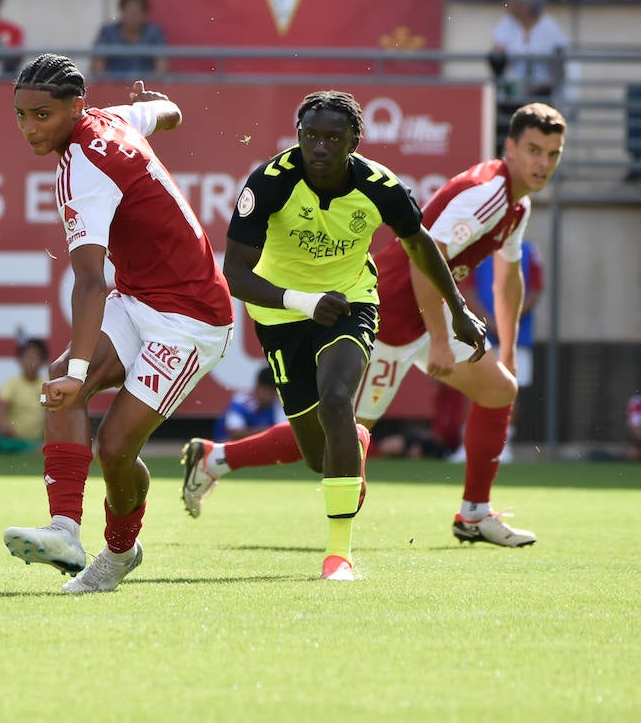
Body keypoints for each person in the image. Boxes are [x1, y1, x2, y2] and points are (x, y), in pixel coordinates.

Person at [184, 103, 563, 552]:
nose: (542, 163)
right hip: (395, 320)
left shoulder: (515, 203)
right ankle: (216, 457)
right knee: (333, 436)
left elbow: (507, 274)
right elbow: (427, 256)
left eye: (553, 153)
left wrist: (506, 348)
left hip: (411, 316)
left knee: (499, 389)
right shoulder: (486, 194)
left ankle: (475, 512)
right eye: (534, 150)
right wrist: (442, 337)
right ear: (510, 148)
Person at [1, 54, 234, 593]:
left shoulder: (81, 169)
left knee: (114, 446)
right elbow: (165, 113)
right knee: (62, 378)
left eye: (42, 115)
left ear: (74, 106)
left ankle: (120, 552)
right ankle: (63, 530)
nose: (30, 128)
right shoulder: (113, 118)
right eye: (20, 115)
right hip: (141, 299)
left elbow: (88, 281)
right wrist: (157, 103)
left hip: (190, 319)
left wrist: (80, 369)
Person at [457, 237, 545, 462]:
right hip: (481, 332)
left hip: (516, 336)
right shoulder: (477, 249)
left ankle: (502, 446)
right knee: (476, 385)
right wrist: (490, 321)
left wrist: (508, 321)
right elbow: (467, 289)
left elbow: (535, 291)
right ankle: (468, 444)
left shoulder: (530, 250)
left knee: (510, 389)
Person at [488, 0, 569, 147]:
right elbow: (496, 56)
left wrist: (542, 85)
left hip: (541, 94)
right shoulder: (507, 25)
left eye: (512, 0)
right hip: (511, 95)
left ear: (526, 5)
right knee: (504, 129)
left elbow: (560, 67)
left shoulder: (550, 29)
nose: (508, 3)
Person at [91, 0, 167, 81]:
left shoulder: (154, 33)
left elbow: (161, 66)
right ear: (122, 12)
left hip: (145, 88)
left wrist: (152, 86)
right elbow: (98, 66)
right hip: (113, 87)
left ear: (144, 14)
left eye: (136, 13)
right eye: (129, 12)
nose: (132, 17)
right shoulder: (107, 32)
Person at [213, 365, 285, 443]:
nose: (271, 396)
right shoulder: (241, 401)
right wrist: (266, 432)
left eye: (274, 392)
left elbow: (283, 433)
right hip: (228, 446)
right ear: (258, 387)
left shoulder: (277, 403)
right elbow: (235, 433)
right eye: (268, 391)